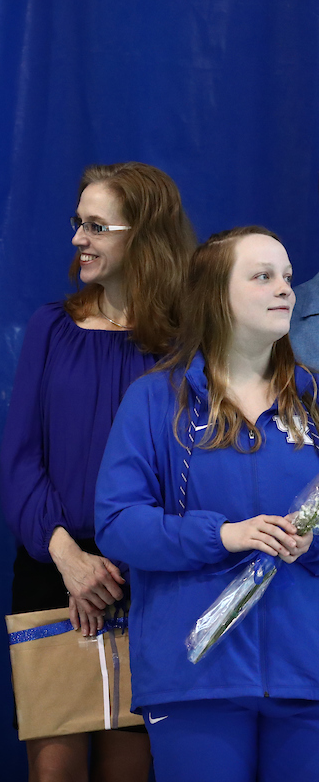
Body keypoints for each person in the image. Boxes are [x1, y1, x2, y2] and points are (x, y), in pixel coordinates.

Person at [96, 226, 319, 782]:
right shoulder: (154, 400)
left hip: (307, 677)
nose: (285, 290)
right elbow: (118, 523)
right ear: (216, 295)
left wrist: (311, 544)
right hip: (195, 679)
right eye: (263, 276)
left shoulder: (314, 401)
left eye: (288, 277)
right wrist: (223, 535)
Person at [0, 162, 195, 781]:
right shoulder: (50, 329)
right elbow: (19, 457)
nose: (78, 239)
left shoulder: (188, 344)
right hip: (51, 566)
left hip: (149, 578)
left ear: (143, 236)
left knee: (131, 771)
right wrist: (70, 561)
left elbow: (194, 470)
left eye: (96, 226)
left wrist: (126, 566)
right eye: (76, 224)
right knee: (54, 771)